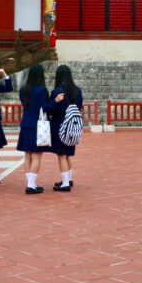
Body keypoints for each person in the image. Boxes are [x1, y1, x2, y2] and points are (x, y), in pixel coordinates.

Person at [16, 63, 52, 194]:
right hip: (38, 124)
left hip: (26, 123)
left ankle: (31, 183)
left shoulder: (23, 89)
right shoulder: (42, 90)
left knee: (27, 155)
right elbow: (44, 108)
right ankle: (31, 185)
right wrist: (55, 101)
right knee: (37, 155)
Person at [48, 64, 83, 192]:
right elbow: (79, 108)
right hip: (72, 126)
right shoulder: (77, 90)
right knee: (67, 154)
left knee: (61, 155)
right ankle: (68, 178)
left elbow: (51, 109)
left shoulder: (57, 92)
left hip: (59, 125)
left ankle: (65, 184)